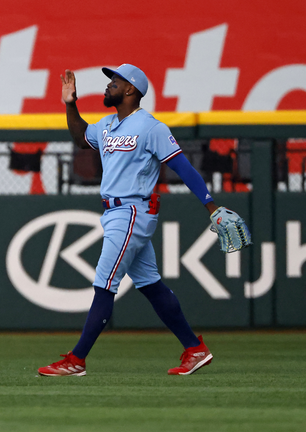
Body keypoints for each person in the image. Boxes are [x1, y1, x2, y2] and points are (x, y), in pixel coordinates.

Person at [38, 64, 221, 377]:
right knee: (151, 285)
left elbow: (183, 167)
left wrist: (211, 206)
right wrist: (70, 104)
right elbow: (81, 137)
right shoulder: (108, 124)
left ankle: (76, 360)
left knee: (104, 284)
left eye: (115, 81)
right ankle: (195, 349)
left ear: (130, 89)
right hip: (115, 213)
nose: (109, 85)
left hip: (132, 211)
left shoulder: (151, 127)